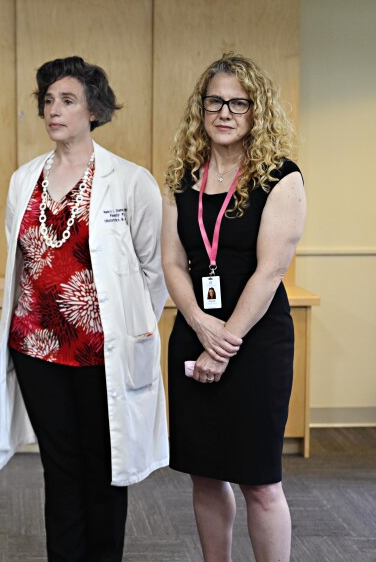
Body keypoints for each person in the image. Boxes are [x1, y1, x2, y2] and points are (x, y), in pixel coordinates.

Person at [0, 56, 168, 561]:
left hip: (102, 352)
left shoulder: (131, 181)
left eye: (67, 100)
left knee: (106, 467)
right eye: (47, 100)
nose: (53, 110)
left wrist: (128, 332)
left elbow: (152, 273)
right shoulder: (23, 180)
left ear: (94, 110)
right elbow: (20, 259)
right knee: (61, 469)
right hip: (36, 348)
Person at [161, 53, 306, 562]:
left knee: (259, 481)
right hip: (195, 333)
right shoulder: (182, 176)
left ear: (256, 110)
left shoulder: (280, 178)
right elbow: (172, 263)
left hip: (256, 340)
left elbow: (270, 272)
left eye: (238, 103)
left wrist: (223, 346)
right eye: (215, 101)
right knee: (205, 472)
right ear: (201, 109)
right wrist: (200, 324)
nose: (225, 112)